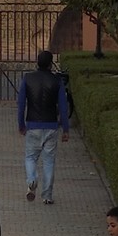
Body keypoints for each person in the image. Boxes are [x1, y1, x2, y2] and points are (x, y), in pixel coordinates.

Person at [16, 48, 69, 205]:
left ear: (37, 62)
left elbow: (21, 104)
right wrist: (65, 129)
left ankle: (32, 180)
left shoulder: (27, 78)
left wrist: (21, 124)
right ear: (50, 64)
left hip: (33, 124)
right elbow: (63, 107)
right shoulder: (57, 81)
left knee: (30, 157)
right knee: (49, 161)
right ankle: (47, 195)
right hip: (51, 125)